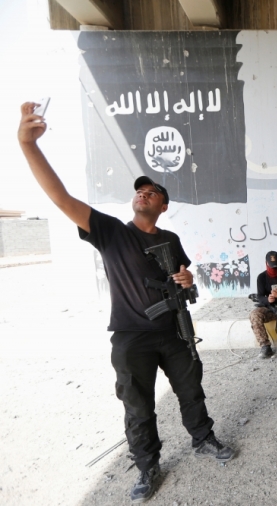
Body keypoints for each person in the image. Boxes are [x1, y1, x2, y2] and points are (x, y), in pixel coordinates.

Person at [17, 102, 233, 503]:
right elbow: (60, 197)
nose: (142, 193)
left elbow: (186, 284)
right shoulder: (112, 232)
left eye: (151, 191)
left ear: (163, 205)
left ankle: (203, 439)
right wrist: (28, 145)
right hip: (132, 337)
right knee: (137, 407)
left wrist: (187, 279)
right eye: (139, 190)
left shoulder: (170, 240)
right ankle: (148, 468)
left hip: (174, 331)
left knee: (191, 391)